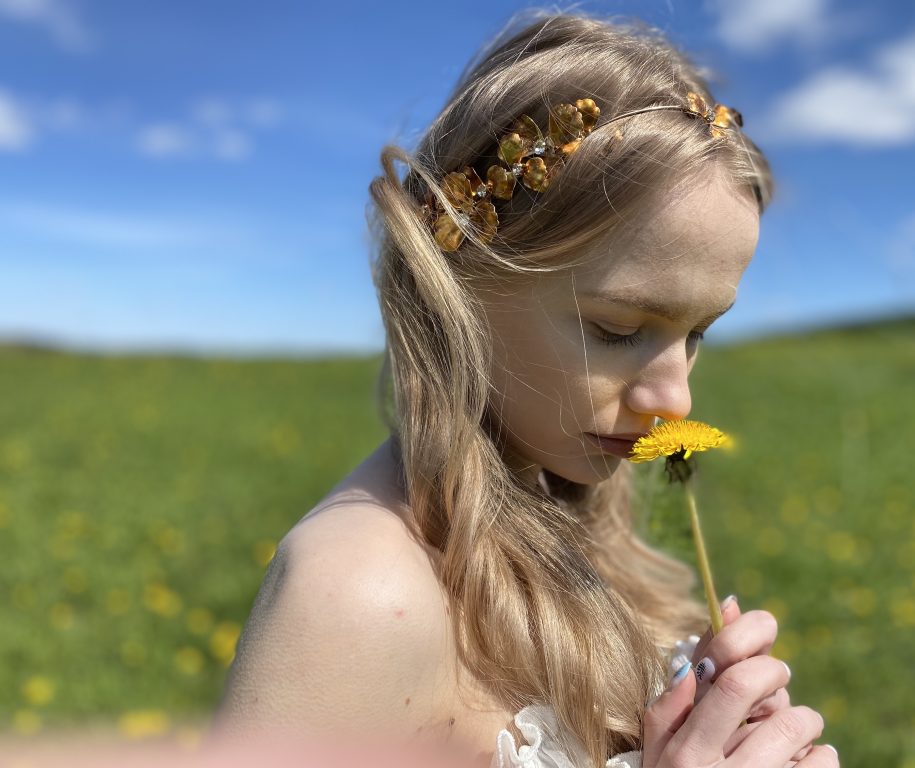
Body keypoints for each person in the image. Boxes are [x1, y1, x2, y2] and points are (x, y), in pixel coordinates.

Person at [213, 10, 839, 768]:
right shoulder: (357, 600)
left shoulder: (568, 509)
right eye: (616, 329)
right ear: (462, 286)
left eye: (696, 333)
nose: (676, 403)